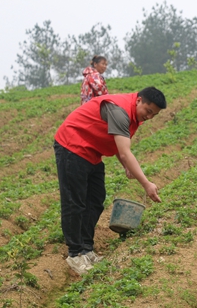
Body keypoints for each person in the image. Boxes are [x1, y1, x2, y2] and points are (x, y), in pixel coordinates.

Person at [54, 86, 167, 274]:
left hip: (91, 151)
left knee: (96, 200)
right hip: (72, 146)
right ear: (139, 100)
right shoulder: (120, 111)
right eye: (148, 111)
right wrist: (146, 184)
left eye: (153, 115)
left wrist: (125, 165)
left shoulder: (133, 115)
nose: (149, 117)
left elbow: (118, 145)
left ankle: (86, 249)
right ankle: (75, 254)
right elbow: (125, 152)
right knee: (75, 202)